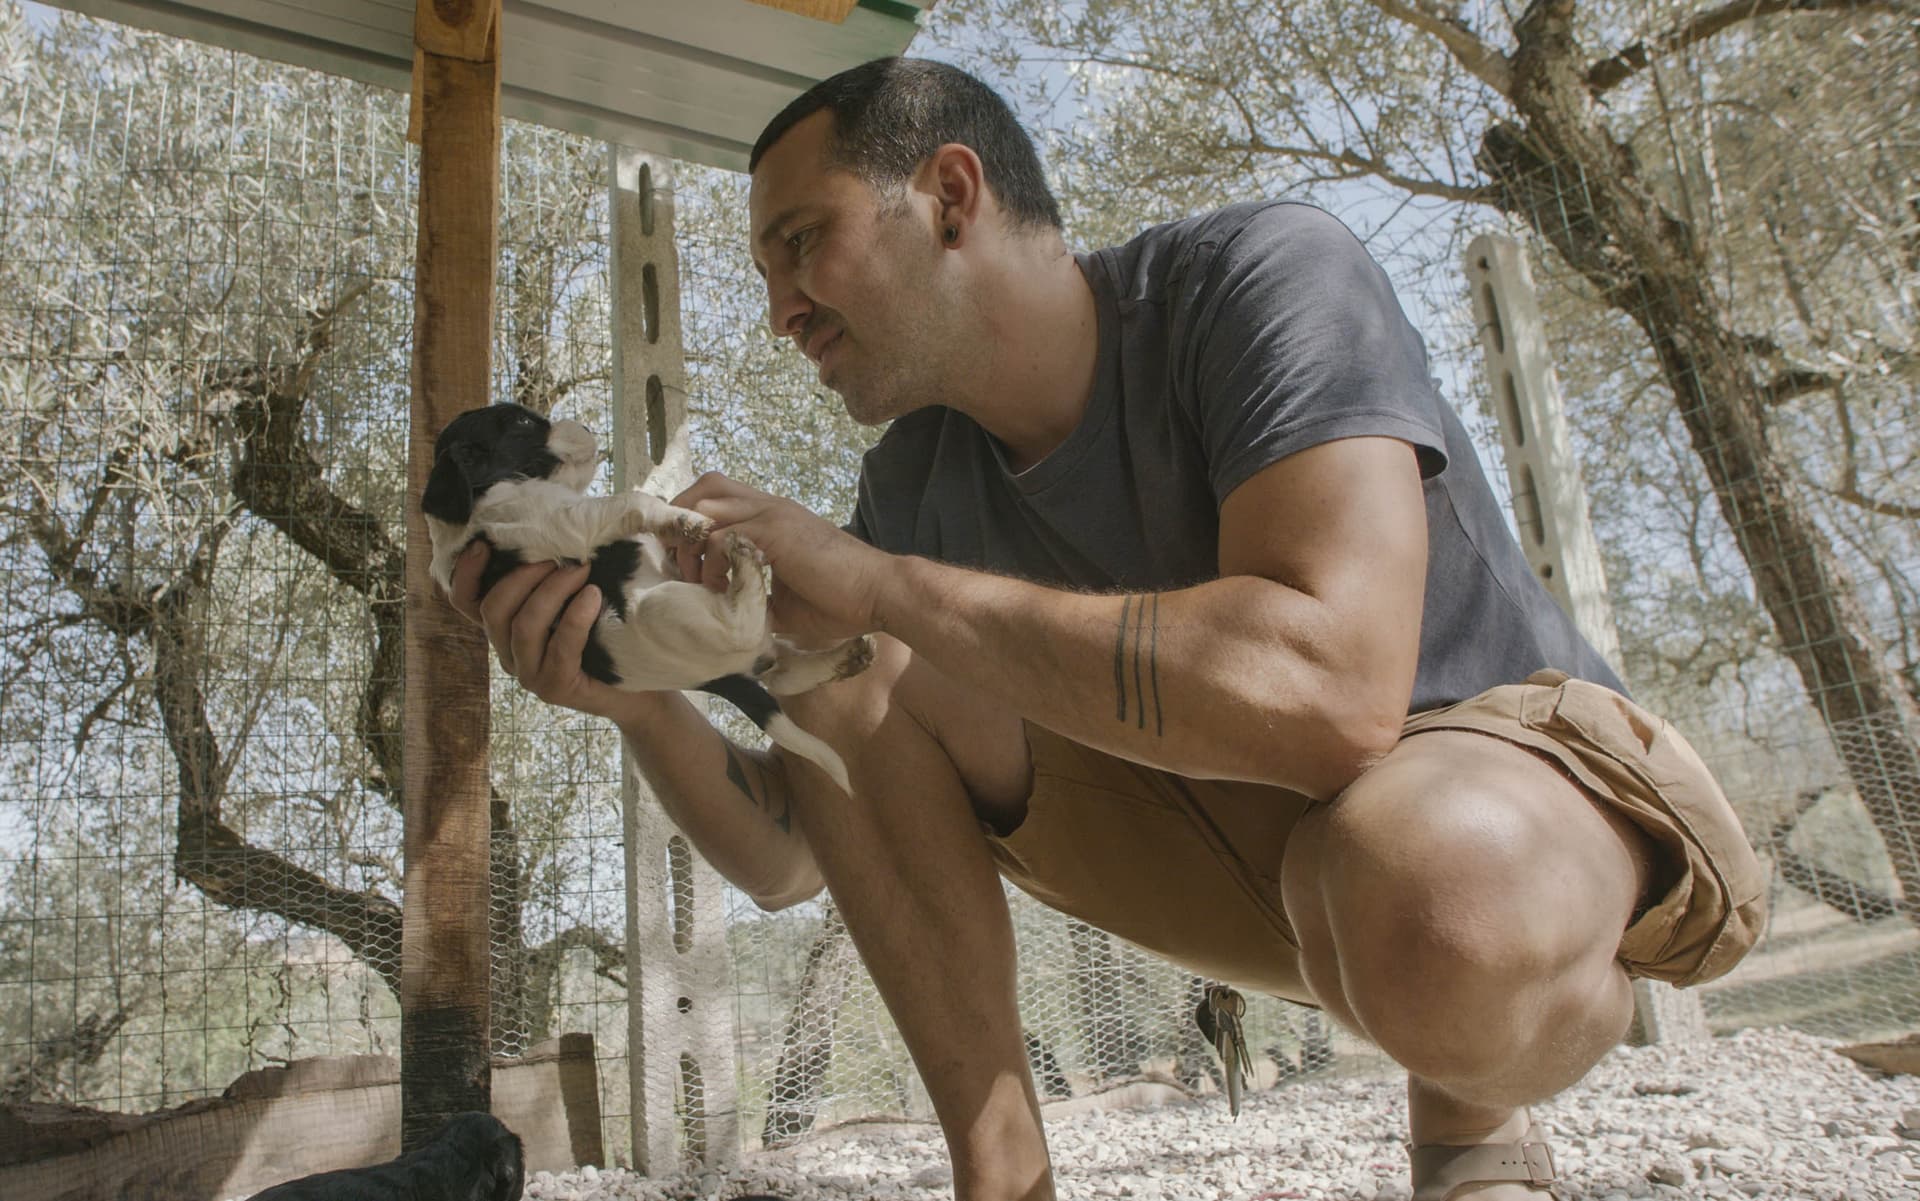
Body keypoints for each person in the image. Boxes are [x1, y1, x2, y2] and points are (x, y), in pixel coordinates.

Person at [446, 56, 1765, 1201]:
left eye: (803, 242)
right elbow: (800, 851)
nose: (781, 307)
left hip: (1502, 818)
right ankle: (1006, 1178)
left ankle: (1473, 1117)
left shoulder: (1265, 275)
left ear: (951, 196)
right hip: (1252, 860)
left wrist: (878, 583)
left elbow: (1335, 697)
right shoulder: (913, 481)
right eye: (764, 268)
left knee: (1429, 895)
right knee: (832, 663)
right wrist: (633, 695)